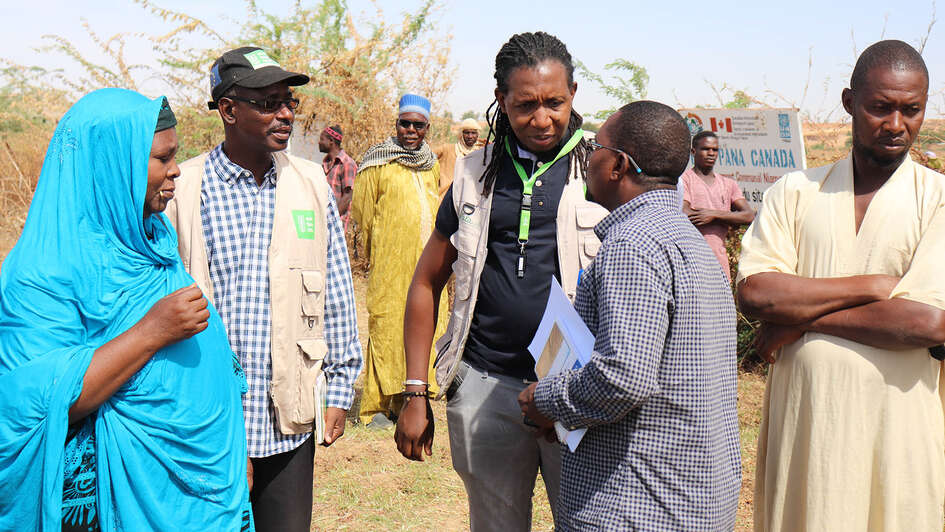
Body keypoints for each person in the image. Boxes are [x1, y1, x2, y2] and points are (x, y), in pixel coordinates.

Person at [0, 89, 252, 530]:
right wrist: (151, 332)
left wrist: (233, 449)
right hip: (120, 503)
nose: (176, 169)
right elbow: (29, 406)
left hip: (205, 493)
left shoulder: (150, 238)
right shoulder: (43, 274)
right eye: (162, 158)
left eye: (176, 155)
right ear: (112, 166)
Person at [395, 32, 608, 531]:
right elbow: (426, 282)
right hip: (485, 384)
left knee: (587, 522)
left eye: (554, 103)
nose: (542, 119)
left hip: (576, 394)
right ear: (501, 100)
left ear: (573, 94)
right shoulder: (474, 174)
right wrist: (415, 391)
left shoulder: (602, 172)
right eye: (525, 105)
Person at [737, 40, 945, 531]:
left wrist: (799, 321)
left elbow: (928, 322)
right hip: (807, 430)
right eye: (881, 107)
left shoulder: (937, 199)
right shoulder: (794, 192)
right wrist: (875, 286)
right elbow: (757, 293)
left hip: (896, 435)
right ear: (850, 102)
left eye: (911, 110)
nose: (896, 124)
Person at [164, 46, 362, 532]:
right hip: (206, 424)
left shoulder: (310, 183)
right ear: (229, 110)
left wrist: (340, 387)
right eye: (269, 103)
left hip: (285, 421)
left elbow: (336, 290)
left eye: (289, 102)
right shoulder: (183, 188)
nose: (286, 114)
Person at [517, 100, 741, 530]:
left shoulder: (632, 246)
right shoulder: (688, 240)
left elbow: (623, 377)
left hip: (637, 503)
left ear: (618, 165)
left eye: (593, 149)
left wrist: (546, 401)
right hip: (693, 495)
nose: (587, 160)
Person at [351, 93, 447, 428]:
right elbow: (362, 214)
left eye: (418, 125)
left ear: (427, 128)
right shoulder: (377, 162)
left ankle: (414, 397)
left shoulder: (431, 164)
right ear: (396, 124)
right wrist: (380, 250)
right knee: (387, 326)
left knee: (425, 325)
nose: (411, 130)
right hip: (390, 265)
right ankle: (377, 406)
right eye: (405, 124)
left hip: (427, 264)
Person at [681, 130, 754, 281]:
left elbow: (749, 215)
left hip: (719, 261)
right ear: (693, 152)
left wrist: (713, 215)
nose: (711, 153)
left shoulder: (728, 184)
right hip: (692, 259)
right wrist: (730, 217)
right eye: (705, 149)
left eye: (715, 150)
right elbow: (684, 213)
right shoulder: (684, 180)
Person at [433, 117, 482, 200]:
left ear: (477, 135)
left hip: (471, 199)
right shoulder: (447, 149)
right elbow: (427, 156)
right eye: (467, 133)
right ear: (461, 134)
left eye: (473, 133)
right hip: (446, 197)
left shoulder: (481, 152)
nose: (470, 136)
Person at [319, 124, 358, 227]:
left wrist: (331, 219)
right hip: (323, 222)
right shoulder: (324, 165)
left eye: (322, 139)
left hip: (337, 224)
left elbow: (347, 197)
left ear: (331, 141)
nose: (319, 142)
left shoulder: (347, 164)